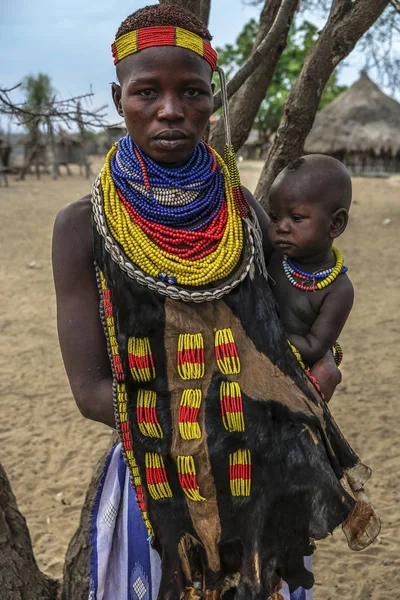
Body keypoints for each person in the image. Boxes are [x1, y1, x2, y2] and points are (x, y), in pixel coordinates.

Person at [52, 5, 379, 600]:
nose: (171, 111)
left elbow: (288, 325)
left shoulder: (245, 212)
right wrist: (210, 429)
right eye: (146, 92)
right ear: (117, 97)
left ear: (213, 98)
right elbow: (91, 391)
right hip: (162, 477)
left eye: (192, 93)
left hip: (259, 475)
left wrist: (323, 365)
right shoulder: (82, 228)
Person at [267, 155, 353, 373]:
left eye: (296, 218)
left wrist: (262, 329)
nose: (281, 227)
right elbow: (245, 199)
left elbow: (314, 347)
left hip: (295, 371)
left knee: (327, 373)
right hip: (255, 355)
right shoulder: (276, 255)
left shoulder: (338, 290)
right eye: (274, 217)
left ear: (335, 223)